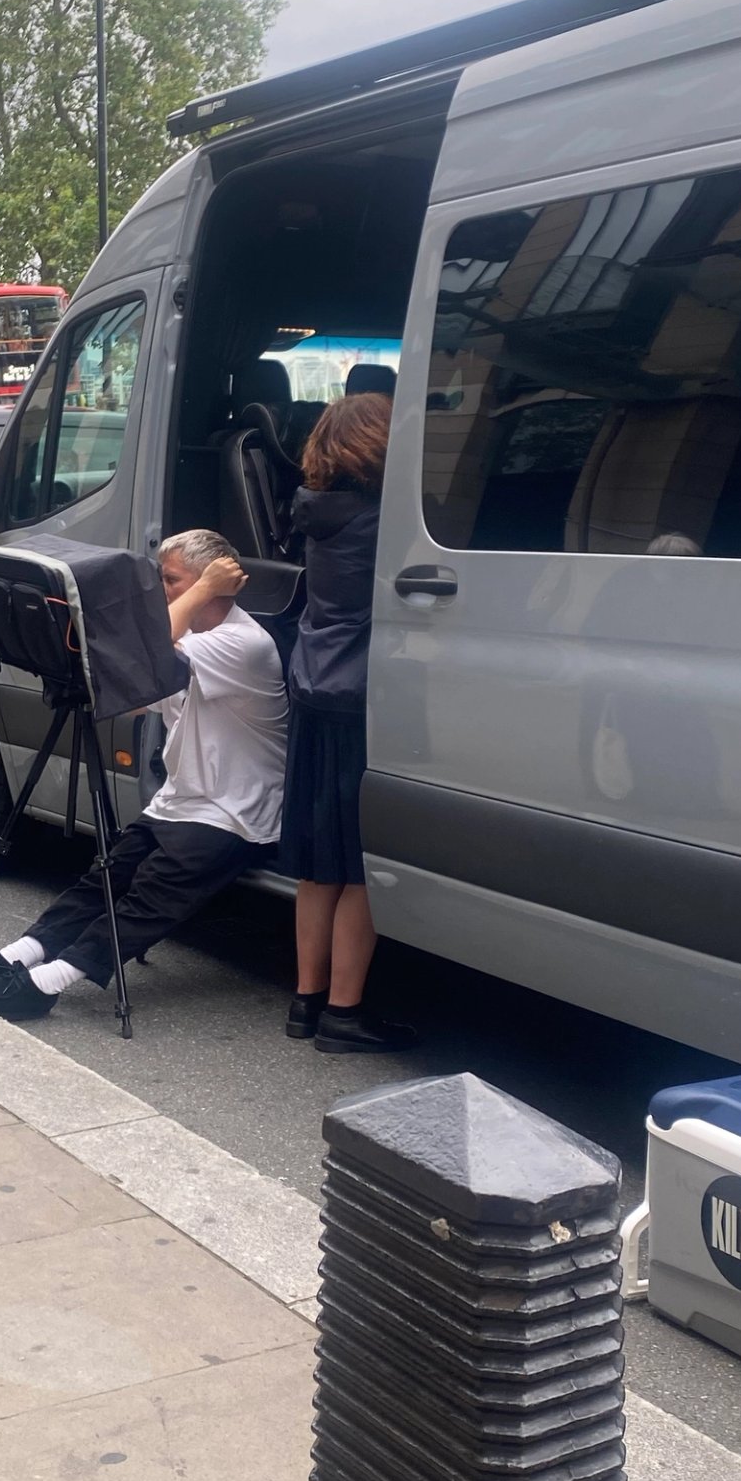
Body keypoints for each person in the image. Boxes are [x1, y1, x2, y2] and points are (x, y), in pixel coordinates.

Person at [0, 529, 287, 1017]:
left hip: (232, 810)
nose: (160, 590)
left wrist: (202, 588)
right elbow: (136, 693)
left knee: (151, 893)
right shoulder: (192, 636)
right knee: (103, 878)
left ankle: (49, 983)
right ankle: (18, 955)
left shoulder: (244, 643)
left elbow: (150, 647)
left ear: (212, 584)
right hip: (182, 800)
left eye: (170, 580)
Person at [278, 392, 416, 1053]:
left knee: (318, 866)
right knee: (360, 864)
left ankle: (305, 1000)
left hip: (312, 687)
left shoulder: (316, 512)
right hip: (360, 697)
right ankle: (343, 1012)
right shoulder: (380, 522)